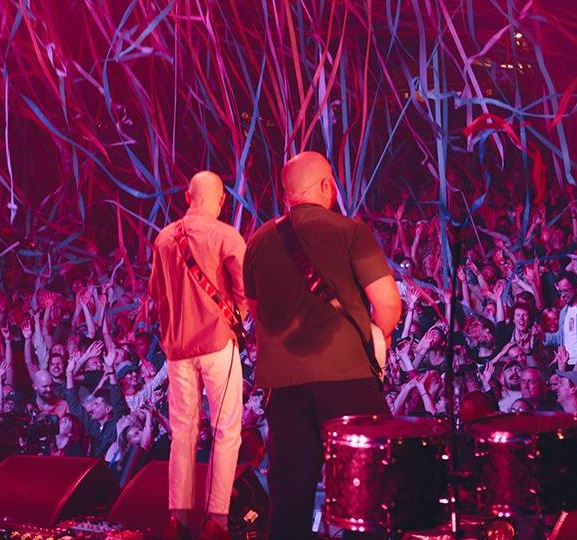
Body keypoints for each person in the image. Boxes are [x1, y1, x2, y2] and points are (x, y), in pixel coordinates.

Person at [244, 151, 401, 539]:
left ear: (287, 194)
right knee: (364, 491)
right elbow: (387, 303)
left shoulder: (258, 241)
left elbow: (256, 311)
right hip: (347, 379)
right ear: (327, 186)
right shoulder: (349, 231)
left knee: (290, 497)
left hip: (282, 386)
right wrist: (376, 342)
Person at [149, 171, 247, 540]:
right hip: (218, 344)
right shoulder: (225, 235)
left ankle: (179, 519)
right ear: (220, 200)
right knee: (226, 432)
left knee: (183, 433)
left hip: (177, 351)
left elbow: (157, 294)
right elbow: (245, 290)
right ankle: (216, 520)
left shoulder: (163, 239)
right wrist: (238, 317)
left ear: (188, 196)